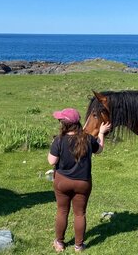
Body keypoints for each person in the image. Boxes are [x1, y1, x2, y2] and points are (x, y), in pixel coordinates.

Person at [48, 108, 111, 252]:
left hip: (62, 181)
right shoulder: (88, 138)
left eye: (60, 121)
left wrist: (52, 147)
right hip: (83, 182)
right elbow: (99, 149)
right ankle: (79, 245)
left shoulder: (59, 140)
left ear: (64, 124)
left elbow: (52, 161)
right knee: (80, 213)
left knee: (62, 211)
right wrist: (101, 133)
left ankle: (59, 243)